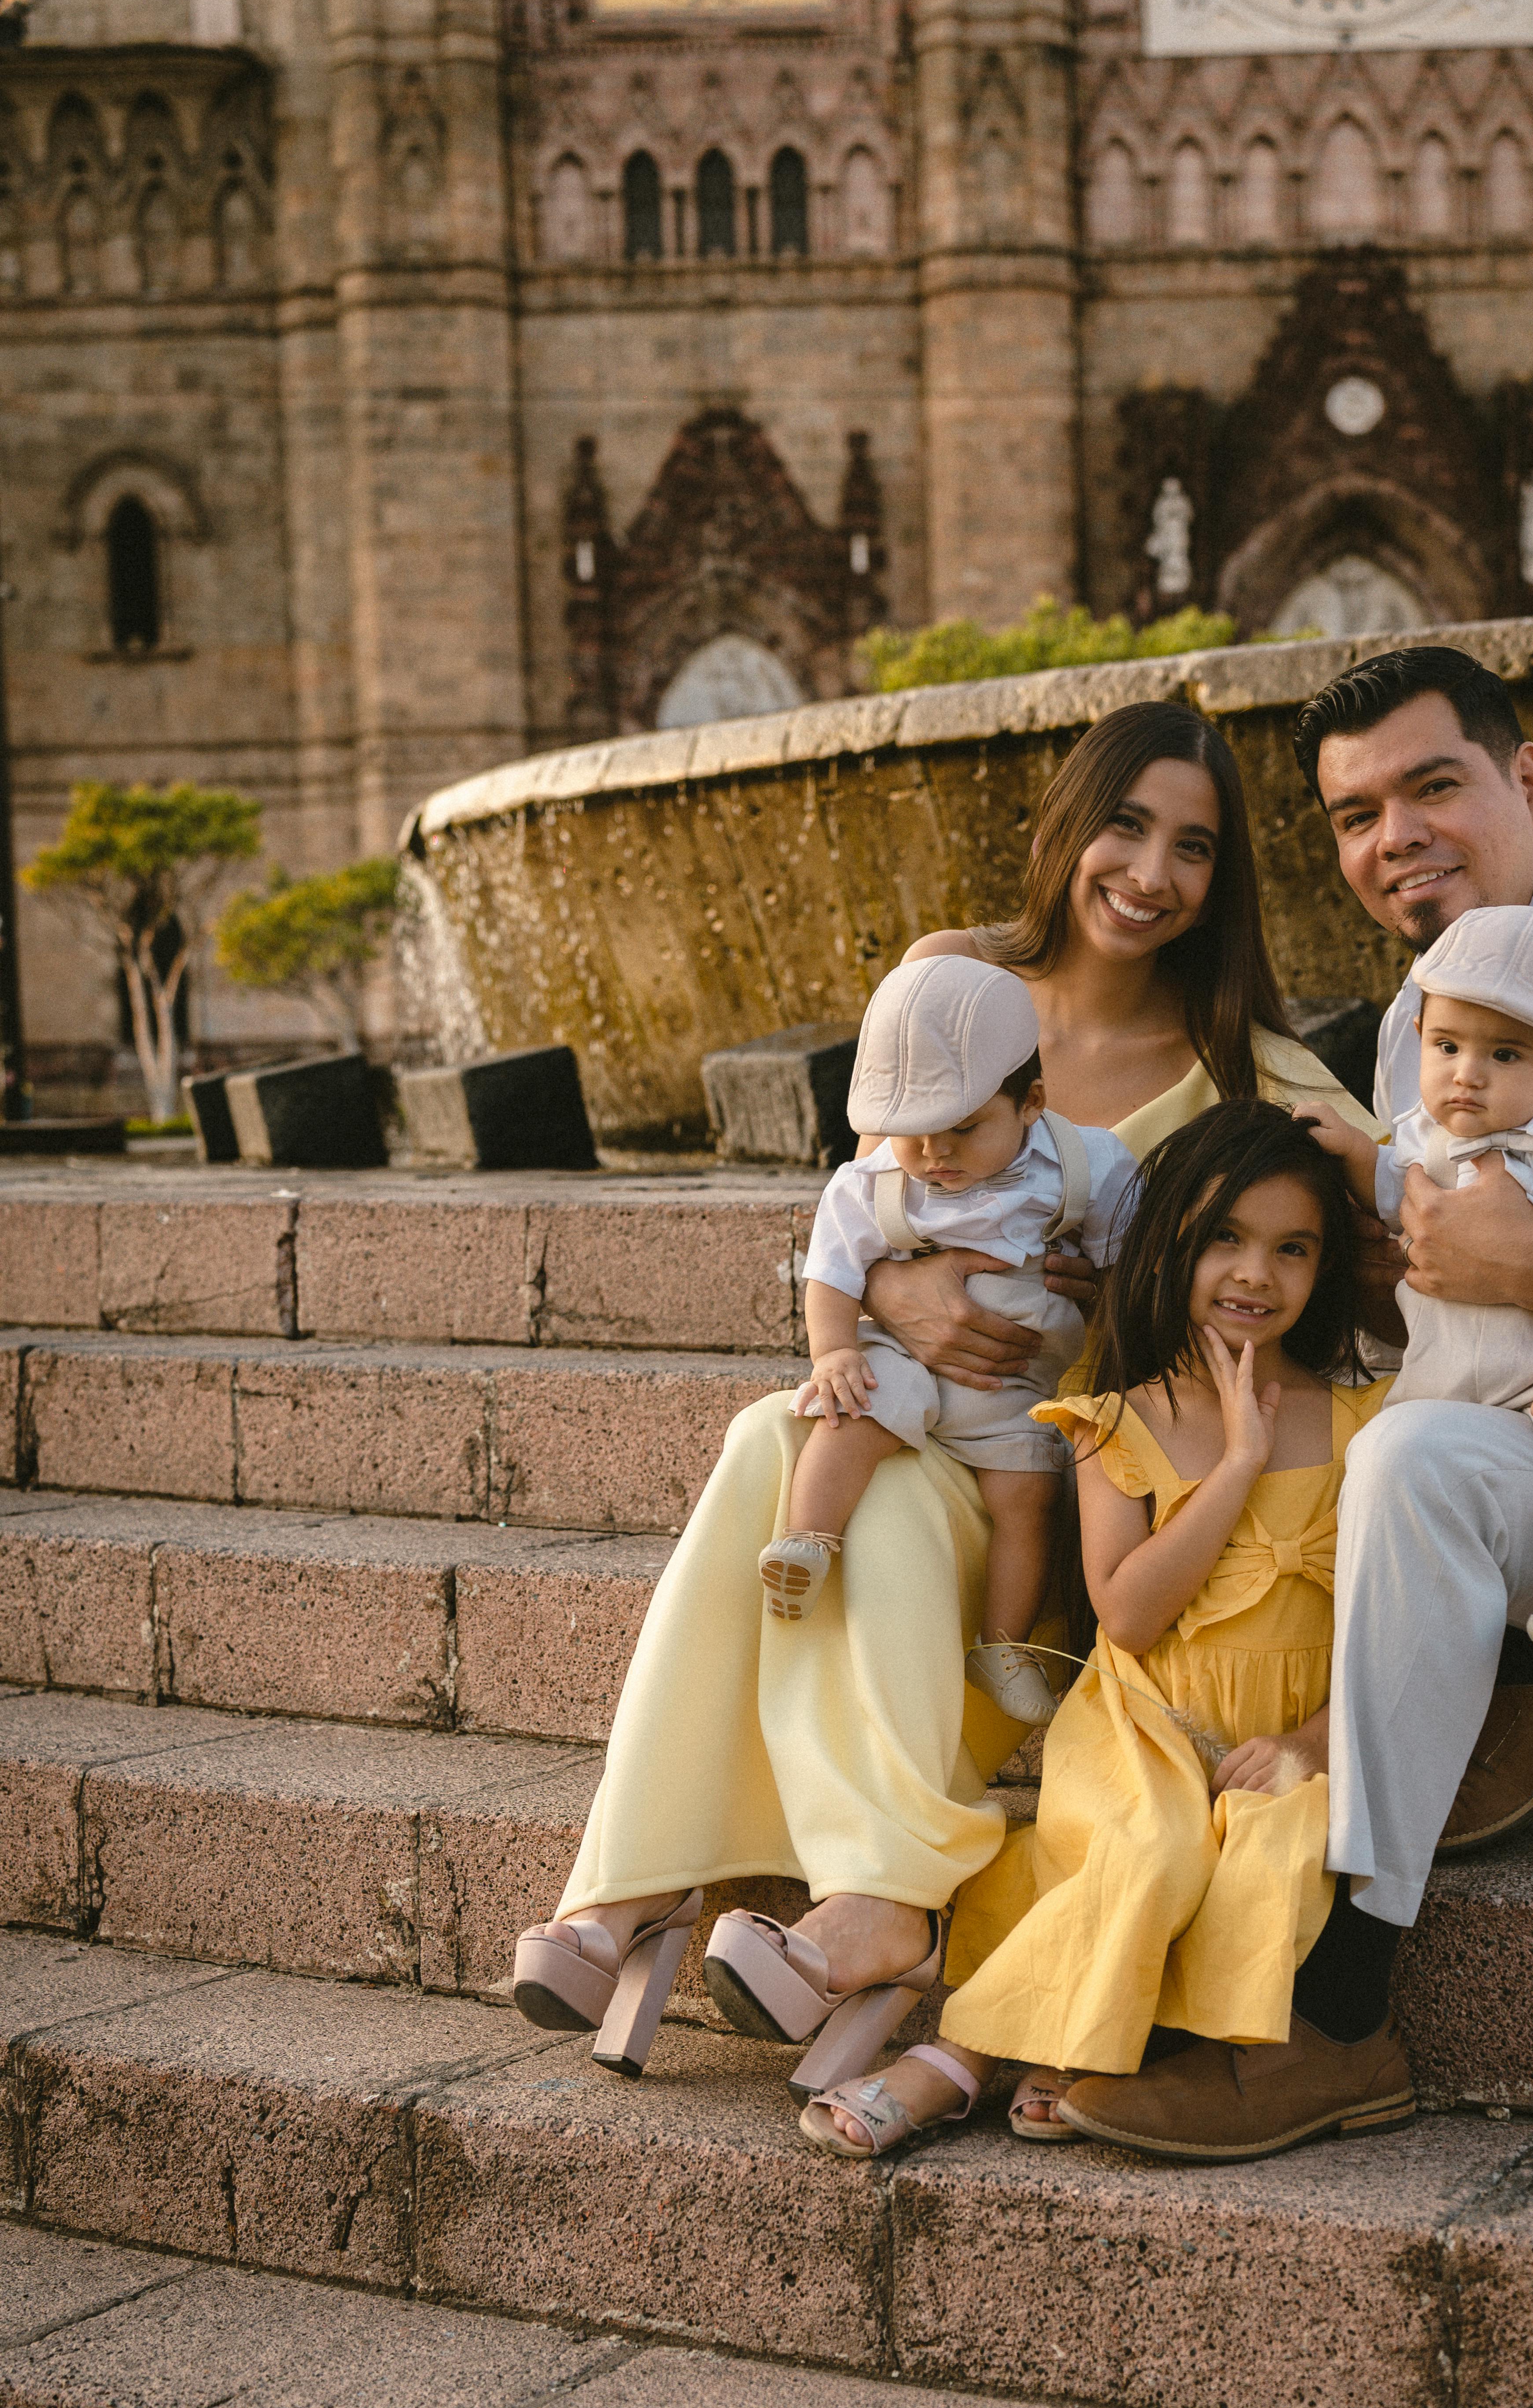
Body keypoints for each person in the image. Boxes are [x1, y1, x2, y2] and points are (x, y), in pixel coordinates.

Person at [508, 699, 1383, 2092]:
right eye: (1126, 824)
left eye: (1195, 848)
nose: (1152, 874)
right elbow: (864, 1214)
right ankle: (837, 1903)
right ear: (1066, 825)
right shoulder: (947, 980)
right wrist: (907, 1300)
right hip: (918, 1422)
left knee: (816, 1471)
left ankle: (654, 1890)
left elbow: (1374, 1254)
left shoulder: (1251, 1074)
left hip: (1067, 1494)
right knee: (781, 1440)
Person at [1068, 642, 1533, 2161]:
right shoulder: (1418, 1009)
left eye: (1432, 786)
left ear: (1528, 781)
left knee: (1412, 1452)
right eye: (1353, 815)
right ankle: (1505, 1681)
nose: (1391, 837)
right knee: (1356, 1437)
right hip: (1498, 1450)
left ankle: (1334, 2022)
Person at [797, 1103, 1409, 2161]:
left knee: (1272, 1850)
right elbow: (1125, 1614)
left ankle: (1097, 2053)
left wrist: (1312, 1744)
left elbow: (1394, 1630)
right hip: (1144, 1721)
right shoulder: (1111, 1422)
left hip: (1293, 1732)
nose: (1252, 1272)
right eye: (1223, 1237)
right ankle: (954, 2064)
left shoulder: (1371, 1425)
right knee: (1148, 1846)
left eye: (1291, 1248)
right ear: (1166, 1241)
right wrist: (1235, 1470)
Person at [761, 952, 1136, 1729]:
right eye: (913, 1135)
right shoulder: (873, 1185)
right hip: (908, 1360)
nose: (936, 1156)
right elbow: (831, 1269)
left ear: (1030, 1101)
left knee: (1029, 1500)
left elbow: (1130, 1252)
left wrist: (1113, 1292)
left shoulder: (1081, 1166)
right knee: (852, 1411)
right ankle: (808, 1540)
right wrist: (834, 1349)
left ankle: (1001, 1646)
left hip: (1015, 1388)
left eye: (964, 1129)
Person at [1299, 900, 1533, 1669]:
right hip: (1455, 1382)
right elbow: (1392, 1190)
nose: (1467, 1076)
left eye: (1506, 1056)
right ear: (1419, 1042)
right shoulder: (1421, 1142)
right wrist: (1348, 1151)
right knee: (1381, 1456)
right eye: (1447, 1046)